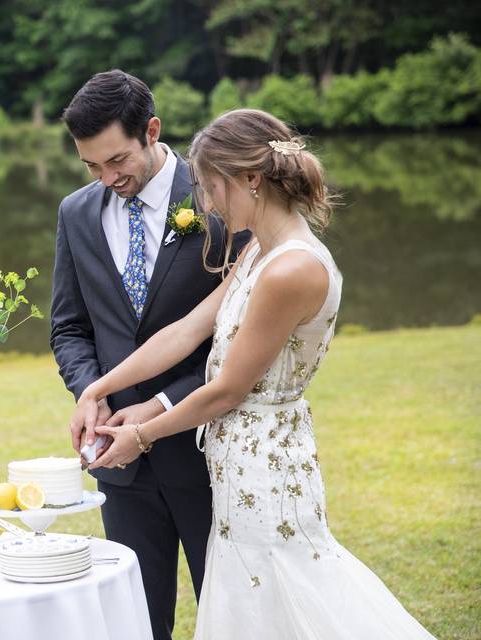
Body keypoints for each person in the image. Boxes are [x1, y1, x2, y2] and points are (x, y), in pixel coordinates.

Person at [73, 108, 437, 639]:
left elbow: (226, 391)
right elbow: (184, 333)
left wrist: (140, 435)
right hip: (235, 463)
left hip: (267, 465)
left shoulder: (292, 268)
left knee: (283, 591)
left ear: (251, 179)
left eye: (211, 186)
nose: (208, 204)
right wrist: (98, 389)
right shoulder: (256, 256)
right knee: (253, 598)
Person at [50, 69, 248, 640]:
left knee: (229, 616)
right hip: (122, 463)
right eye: (92, 166)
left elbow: (231, 337)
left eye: (117, 160)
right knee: (136, 623)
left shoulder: (218, 197)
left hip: (210, 448)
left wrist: (161, 405)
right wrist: (94, 395)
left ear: (152, 131)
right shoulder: (76, 214)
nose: (107, 177)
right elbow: (69, 327)